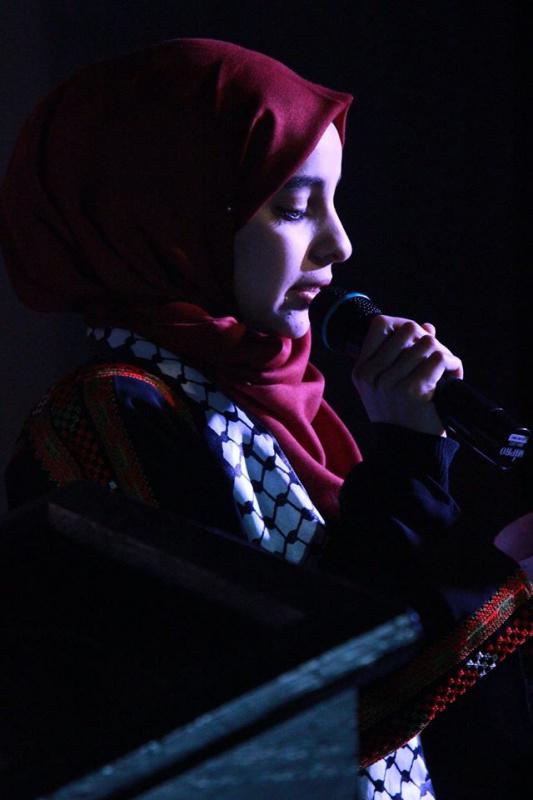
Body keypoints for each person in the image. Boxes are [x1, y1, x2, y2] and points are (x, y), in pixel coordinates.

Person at [0, 39, 532, 799]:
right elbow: (286, 715)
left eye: (334, 203)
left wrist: (490, 554)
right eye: (293, 207)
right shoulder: (112, 419)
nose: (339, 243)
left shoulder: (274, 410)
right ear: (172, 211)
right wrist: (417, 477)